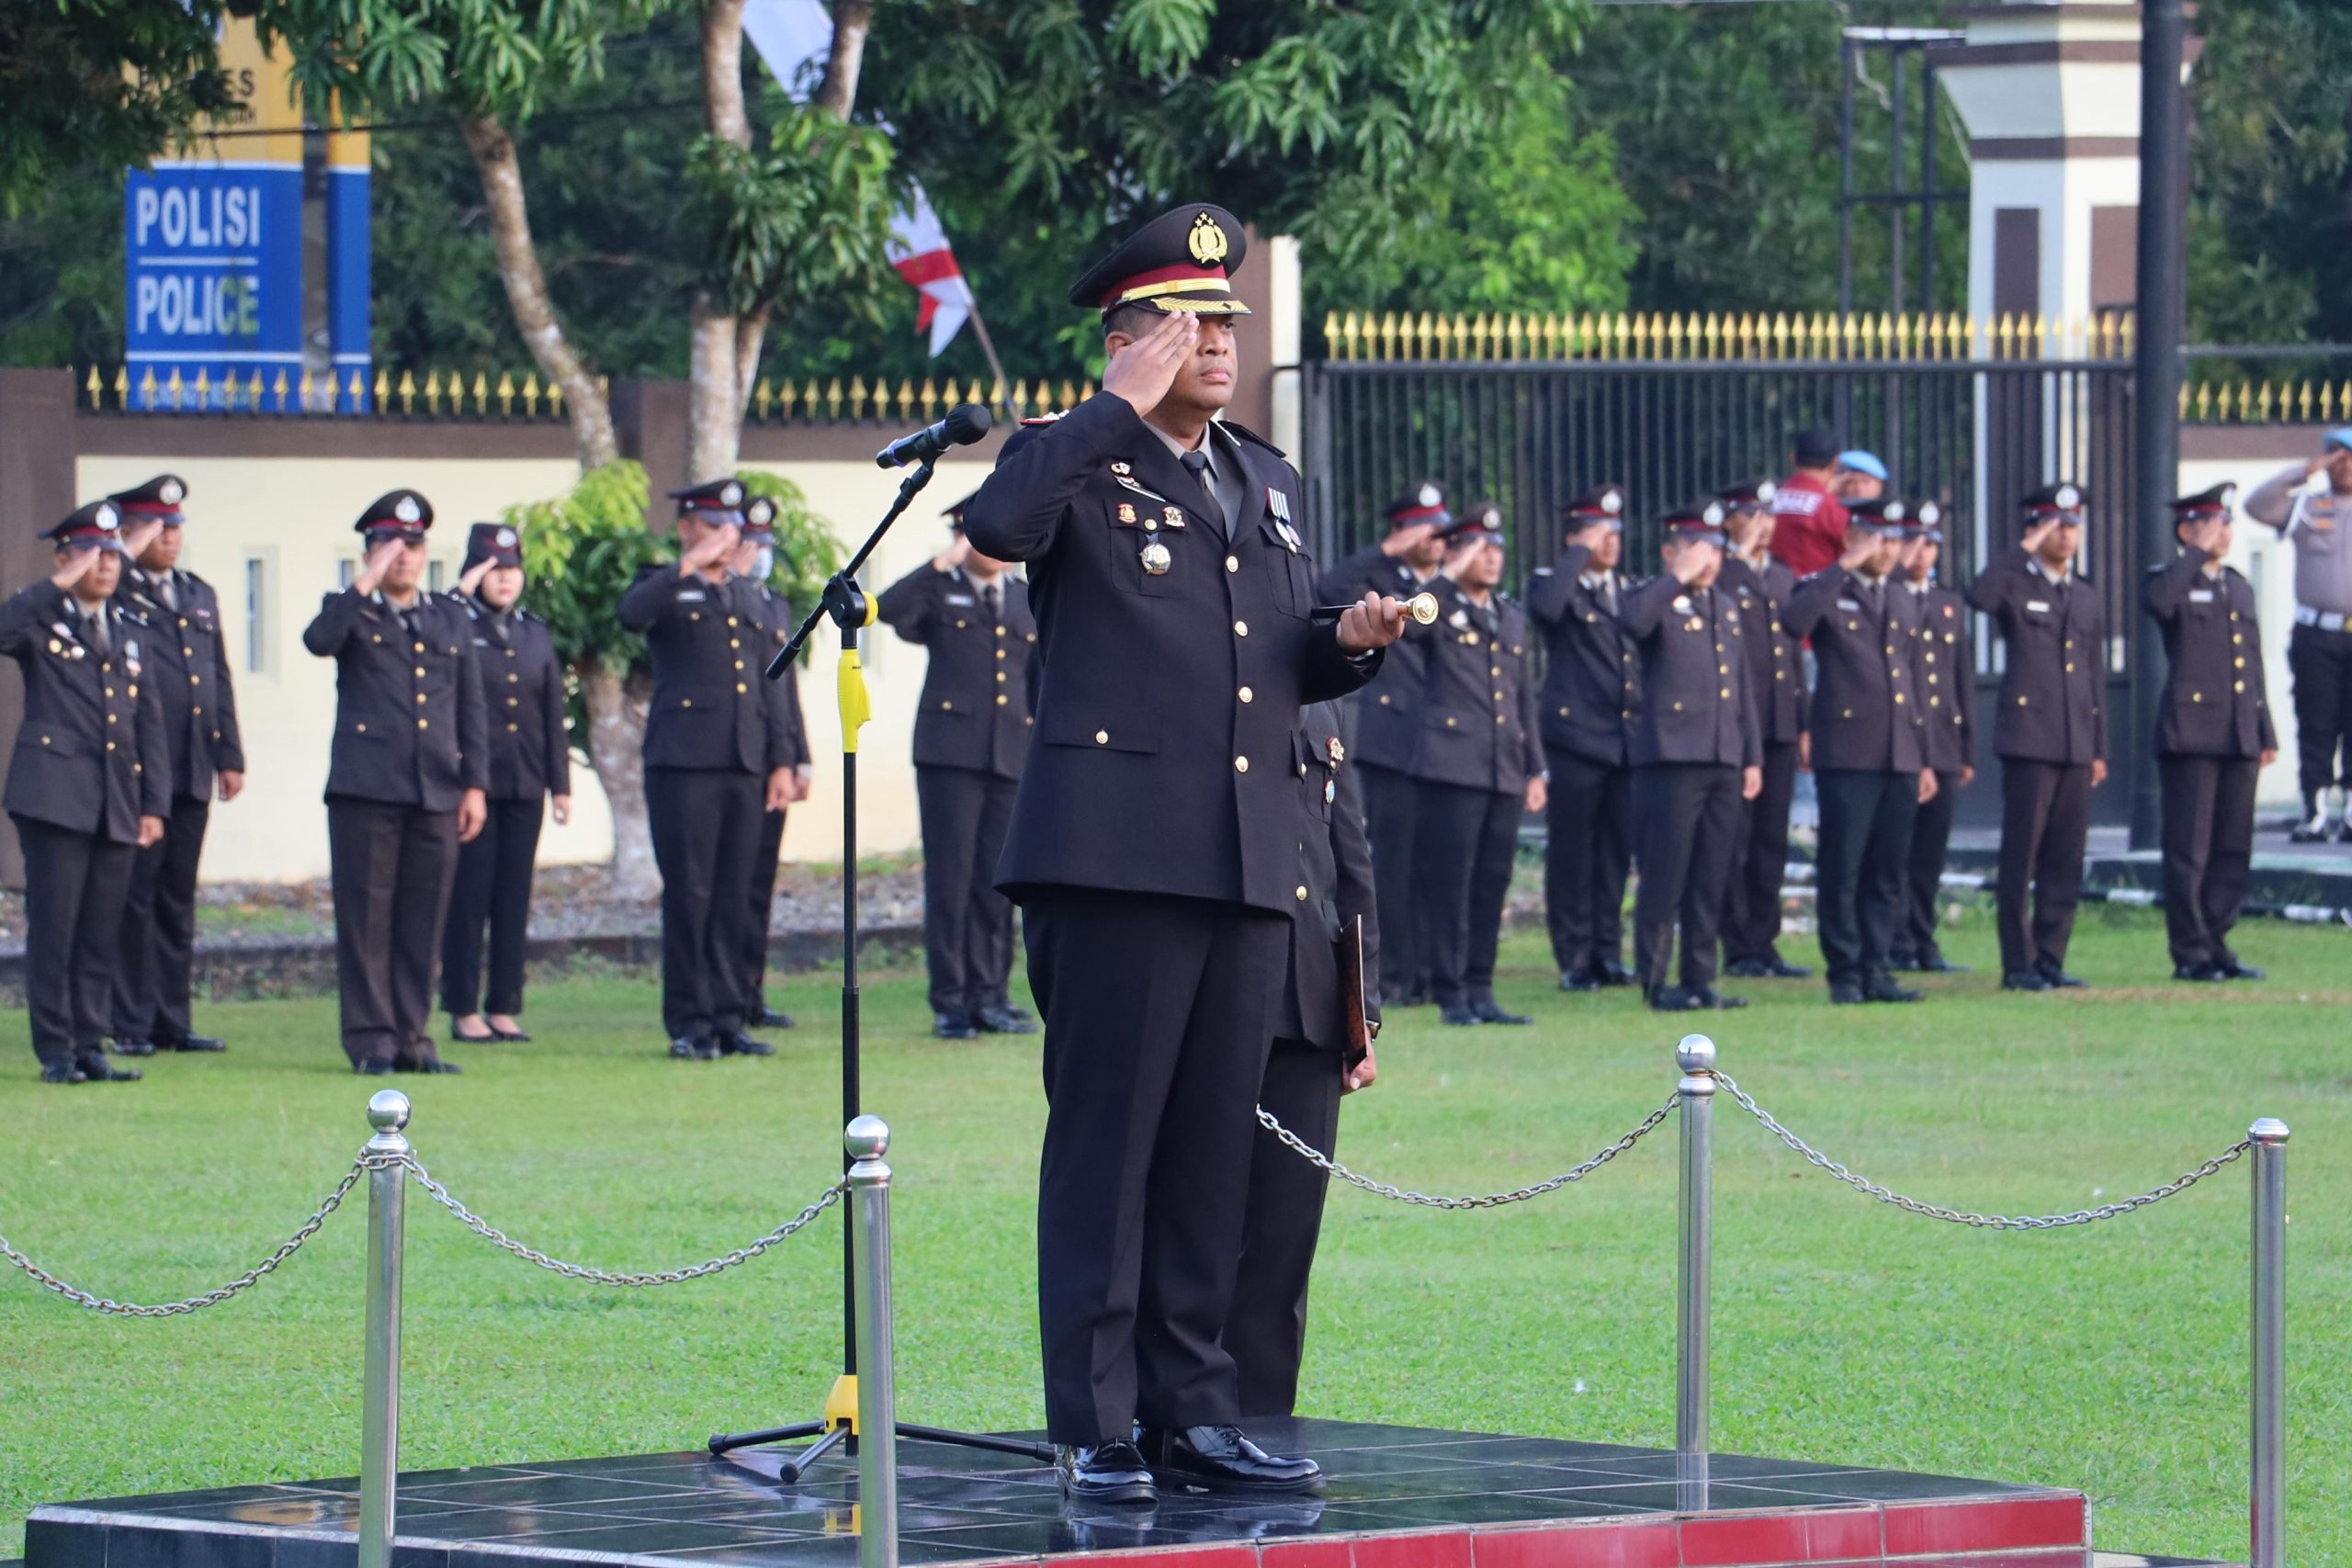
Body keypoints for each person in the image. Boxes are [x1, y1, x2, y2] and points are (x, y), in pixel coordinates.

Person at [959, 201, 1402, 1506]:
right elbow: (996, 527)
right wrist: (1109, 409)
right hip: (1115, 858)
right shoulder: (1072, 457)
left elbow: (1273, 658)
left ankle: (1193, 1414)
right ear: (1128, 340)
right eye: (1190, 323)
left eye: (1227, 323)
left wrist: (1347, 643)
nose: (1219, 343)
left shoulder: (1265, 479)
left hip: (1247, 856)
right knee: (1112, 1148)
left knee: (1214, 1154)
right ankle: (1096, 1421)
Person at [1227, 699, 1378, 1417]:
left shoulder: (1324, 698)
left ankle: (1264, 1425)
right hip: (1218, 994)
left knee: (1284, 1245)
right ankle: (1178, 1419)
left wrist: (1360, 1010)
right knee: (1196, 1236)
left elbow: (1349, 859)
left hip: (1310, 1001)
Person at [302, 491, 487, 1075]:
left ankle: (412, 1038)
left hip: (436, 787)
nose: (403, 556)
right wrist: (364, 583)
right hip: (367, 789)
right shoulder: (350, 610)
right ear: (370, 553)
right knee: (367, 918)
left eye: (412, 545)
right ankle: (371, 1041)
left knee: (422, 921)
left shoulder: (448, 616)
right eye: (390, 546)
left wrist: (475, 785)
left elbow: (470, 705)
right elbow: (319, 641)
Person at [617, 478, 801, 1062]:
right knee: (690, 894)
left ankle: (729, 1017)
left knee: (733, 896)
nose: (726, 537)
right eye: (713, 526)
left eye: (731, 527)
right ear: (687, 528)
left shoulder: (746, 596)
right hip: (684, 763)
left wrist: (782, 759)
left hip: (745, 762)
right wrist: (688, 565)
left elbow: (771, 684)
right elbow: (630, 616)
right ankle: (690, 1023)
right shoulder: (664, 583)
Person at [4, 500, 165, 1083]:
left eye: (112, 556)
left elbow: (149, 723)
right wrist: (57, 585)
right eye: (92, 555)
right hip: (54, 799)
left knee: (100, 931)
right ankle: (56, 1051)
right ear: (65, 560)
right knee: (57, 929)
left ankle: (91, 1044)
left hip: (115, 800)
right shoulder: (40, 619)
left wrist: (154, 804)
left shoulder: (128, 628)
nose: (105, 566)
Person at [876, 493, 1037, 1041]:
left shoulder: (1024, 598)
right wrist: (940, 563)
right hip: (950, 758)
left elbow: (1039, 676)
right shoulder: (938, 591)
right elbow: (888, 610)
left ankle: (991, 995)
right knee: (950, 880)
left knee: (997, 883)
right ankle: (951, 1001)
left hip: (1010, 755)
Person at [1780, 497, 1936, 1004]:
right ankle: (1845, 972)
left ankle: (1878, 968)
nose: (1887, 550)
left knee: (1886, 871)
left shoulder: (1902, 598)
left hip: (1899, 753)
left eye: (1894, 540)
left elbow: (1914, 680)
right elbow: (1794, 621)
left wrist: (1923, 754)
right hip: (1848, 753)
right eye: (1876, 539)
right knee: (1843, 867)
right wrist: (1842, 565)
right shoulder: (1829, 587)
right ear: (1851, 539)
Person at [107, 474, 243, 1056]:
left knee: (176, 898)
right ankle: (129, 1021)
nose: (169, 537)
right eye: (156, 527)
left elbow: (218, 677)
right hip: (140, 772)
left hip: (192, 765)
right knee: (134, 896)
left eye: (175, 526)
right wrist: (121, 554)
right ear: (131, 533)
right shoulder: (116, 588)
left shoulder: (196, 592)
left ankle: (172, 1018)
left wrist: (229, 754)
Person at [1619, 502, 1762, 1011]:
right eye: (1698, 549)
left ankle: (1700, 978)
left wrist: (1751, 756)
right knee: (1666, 872)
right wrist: (1676, 577)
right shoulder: (1654, 597)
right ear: (1671, 552)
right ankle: (1656, 981)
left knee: (1711, 873)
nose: (1708, 560)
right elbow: (1633, 623)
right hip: (1673, 756)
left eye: (1715, 550)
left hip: (1722, 754)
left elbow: (1741, 687)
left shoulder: (1724, 606)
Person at [1966, 481, 2108, 993]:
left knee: (2065, 857)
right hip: (2030, 738)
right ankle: (2018, 962)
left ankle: (2051, 956)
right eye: (2055, 526)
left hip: (2075, 740)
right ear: (2035, 530)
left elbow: (2092, 674)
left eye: (2073, 526)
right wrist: (2022, 550)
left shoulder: (2084, 594)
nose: (2066, 536)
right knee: (2021, 855)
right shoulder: (2016, 583)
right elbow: (1979, 594)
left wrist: (2098, 747)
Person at [1316, 482, 1451, 1005]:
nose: (1437, 540)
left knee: (1436, 866)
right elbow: (1327, 591)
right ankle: (1394, 974)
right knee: (1390, 865)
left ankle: (1433, 973)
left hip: (1445, 746)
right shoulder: (1378, 577)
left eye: (1440, 531)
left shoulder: (1446, 585)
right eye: (1425, 530)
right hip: (1393, 743)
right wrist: (1388, 551)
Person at [438, 522, 570, 1046]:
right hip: (474, 784)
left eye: (513, 569)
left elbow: (551, 711)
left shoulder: (534, 632)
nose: (506, 579)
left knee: (514, 899)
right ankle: (463, 1007)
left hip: (525, 781)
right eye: (494, 570)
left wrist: (560, 785)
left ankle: (504, 1005)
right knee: (469, 899)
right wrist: (459, 595)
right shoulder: (454, 623)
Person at [1415, 510, 1545, 1027]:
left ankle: (1481, 987)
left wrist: (1536, 768)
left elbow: (1522, 696)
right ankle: (1449, 991)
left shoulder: (1509, 615)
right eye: (1478, 548)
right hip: (1454, 765)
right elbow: (1408, 627)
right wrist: (1447, 574)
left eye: (1496, 549)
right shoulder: (1438, 605)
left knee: (1493, 881)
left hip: (1503, 766)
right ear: (1455, 553)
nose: (1491, 558)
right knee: (1452, 882)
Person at [2145, 485, 2277, 982]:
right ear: (2186, 530)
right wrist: (2194, 555)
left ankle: (2218, 940)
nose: (2223, 532)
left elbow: (2253, 662)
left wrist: (2264, 727)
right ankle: (2191, 950)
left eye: (2226, 523)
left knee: (2232, 846)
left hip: (2239, 731)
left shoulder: (2237, 586)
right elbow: (2160, 604)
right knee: (2189, 849)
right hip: (2192, 732)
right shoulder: (2169, 580)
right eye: (2212, 524)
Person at [1527, 484, 1638, 992]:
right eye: (1598, 533)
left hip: (1622, 741)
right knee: (1572, 854)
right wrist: (1578, 553)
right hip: (1575, 740)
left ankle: (1607, 953)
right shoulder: (1555, 583)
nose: (1610, 543)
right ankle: (1574, 956)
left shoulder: (1628, 589)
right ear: (1575, 537)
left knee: (1615, 855)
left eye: (1615, 533)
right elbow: (1547, 610)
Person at [1713, 479, 1810, 981]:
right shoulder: (1720, 571)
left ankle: (1764, 940)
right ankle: (1737, 943)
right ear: (1730, 520)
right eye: (1753, 516)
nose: (1763, 526)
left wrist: (1803, 722)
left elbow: (1792, 654)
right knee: (1737, 837)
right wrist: (1737, 556)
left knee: (1772, 837)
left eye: (1768, 516)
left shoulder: (1781, 575)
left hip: (1779, 724)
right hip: (1737, 725)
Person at [2243, 430, 2352, 841]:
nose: (2346, 465)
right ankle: (2316, 810)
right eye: (2337, 456)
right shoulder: (2309, 507)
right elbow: (2257, 505)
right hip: (2317, 634)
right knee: (2317, 722)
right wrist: (2305, 471)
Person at [731, 497, 813, 1035]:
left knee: (759, 887)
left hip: (771, 763)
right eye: (749, 544)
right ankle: (729, 998)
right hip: (734, 759)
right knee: (733, 888)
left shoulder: (775, 605)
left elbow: (785, 690)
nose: (758, 554)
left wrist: (798, 757)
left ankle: (751, 994)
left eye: (764, 545)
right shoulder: (727, 601)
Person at [1890, 506, 1975, 974]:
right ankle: (1896, 940)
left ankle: (1922, 938)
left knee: (1930, 853)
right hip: (1903, 741)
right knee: (1897, 848)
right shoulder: (1889, 597)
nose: (1921, 554)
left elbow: (1960, 676)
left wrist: (1966, 747)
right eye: (1913, 543)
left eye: (1930, 545)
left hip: (1943, 741)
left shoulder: (1947, 603)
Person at [1769, 426, 1851, 580]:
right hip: (1818, 589)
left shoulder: (1771, 499)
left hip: (1772, 587)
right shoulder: (1832, 508)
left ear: (1793, 458)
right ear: (1834, 464)